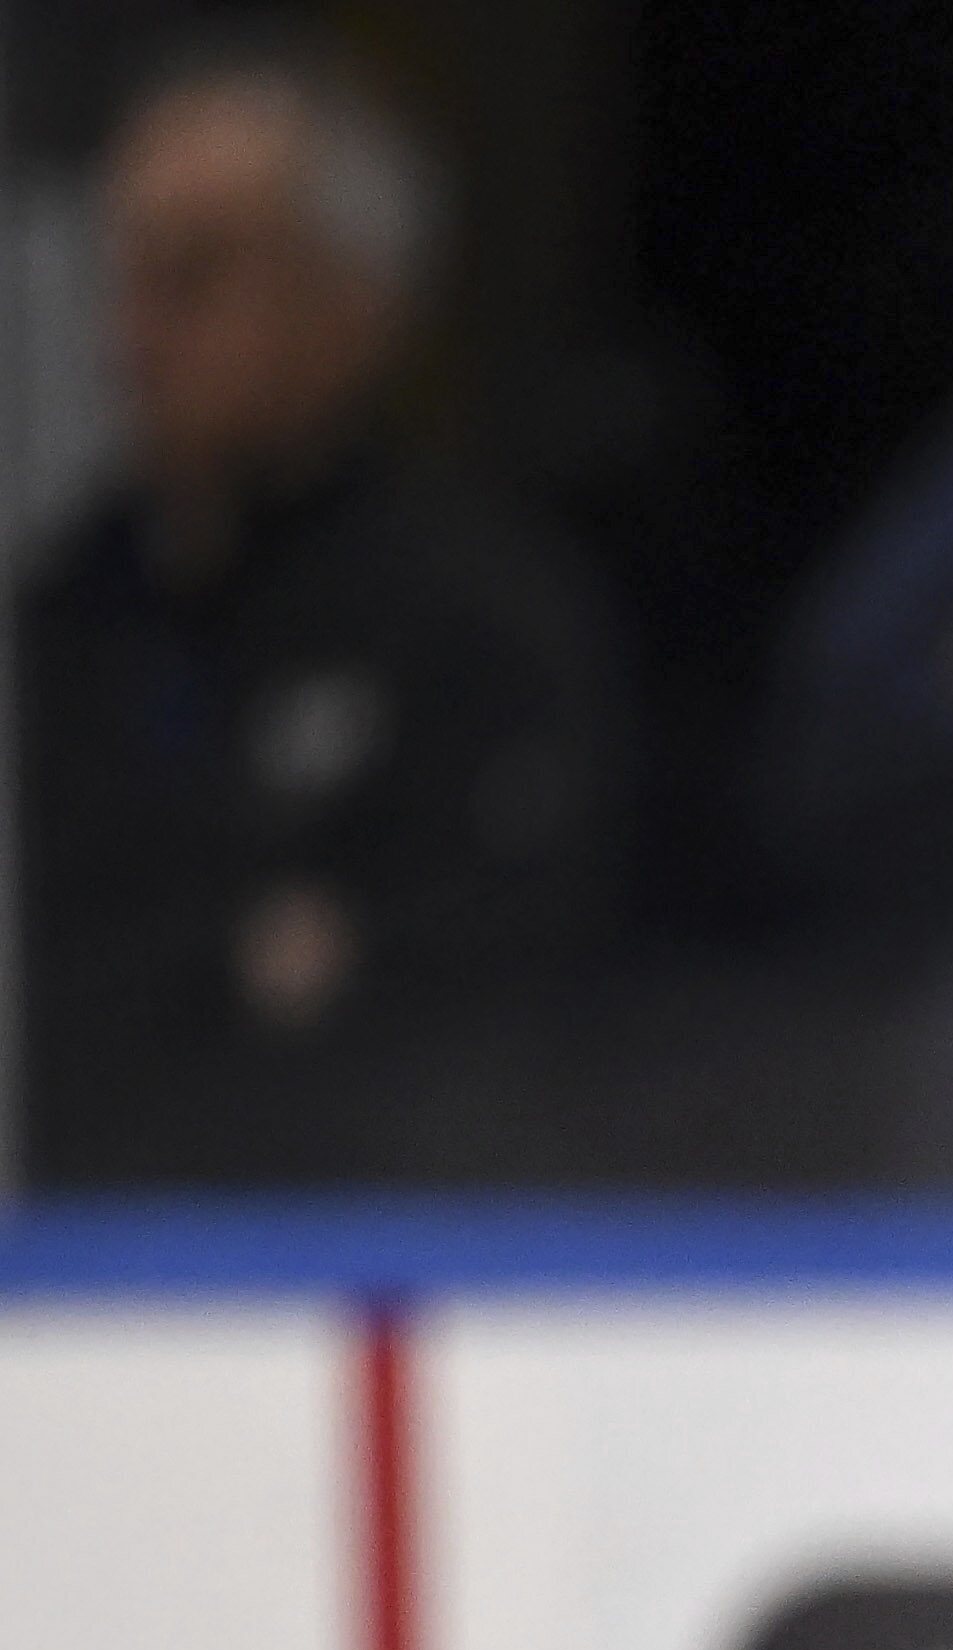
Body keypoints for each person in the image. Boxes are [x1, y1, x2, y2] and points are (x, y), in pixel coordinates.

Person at [21, 32, 628, 1185]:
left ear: (349, 306)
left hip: (351, 1241)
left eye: (194, 276)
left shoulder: (482, 626)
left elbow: (486, 1001)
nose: (131, 338)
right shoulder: (53, 627)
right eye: (124, 275)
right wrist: (234, 960)